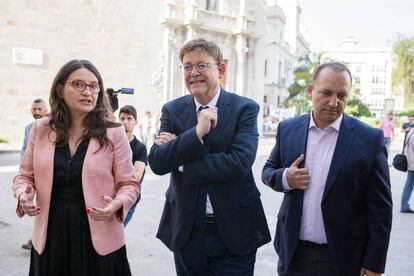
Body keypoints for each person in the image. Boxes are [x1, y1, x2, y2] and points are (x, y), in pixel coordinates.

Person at [148, 38, 271, 276]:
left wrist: (181, 161)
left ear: (221, 69)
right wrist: (196, 133)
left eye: (202, 65)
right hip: (187, 231)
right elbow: (158, 162)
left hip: (235, 230)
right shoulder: (172, 110)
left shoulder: (244, 108)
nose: (194, 73)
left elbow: (239, 163)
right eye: (187, 66)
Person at [262, 62, 392, 276]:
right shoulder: (288, 129)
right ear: (311, 92)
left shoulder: (369, 139)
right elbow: (268, 171)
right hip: (293, 254)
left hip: (342, 259)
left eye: (342, 95)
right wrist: (286, 178)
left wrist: (374, 263)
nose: (334, 102)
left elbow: (381, 208)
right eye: (326, 93)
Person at [13, 59, 139, 275]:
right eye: (79, 84)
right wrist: (22, 194)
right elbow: (24, 177)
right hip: (51, 235)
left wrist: (116, 204)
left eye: (94, 85)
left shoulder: (114, 132)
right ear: (60, 89)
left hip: (98, 234)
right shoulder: (41, 128)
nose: (88, 92)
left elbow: (130, 184)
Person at [20, 98, 48, 251]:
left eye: (39, 109)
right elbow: (25, 149)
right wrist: (24, 173)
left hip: (47, 174)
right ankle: (37, 239)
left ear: (46, 110)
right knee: (38, 207)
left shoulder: (51, 126)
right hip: (32, 175)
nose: (37, 112)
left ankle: (36, 240)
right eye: (34, 109)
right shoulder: (28, 127)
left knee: (44, 206)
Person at [119, 105, 148, 226]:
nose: (125, 122)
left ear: (136, 121)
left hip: (129, 198)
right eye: (122, 118)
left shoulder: (140, 147)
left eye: (129, 118)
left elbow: (137, 175)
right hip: (111, 196)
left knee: (116, 233)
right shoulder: (114, 144)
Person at [401, 128, 414, 213]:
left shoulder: (411, 131)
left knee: (408, 185)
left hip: (410, 161)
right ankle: (404, 206)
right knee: (409, 185)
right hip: (413, 162)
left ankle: (404, 205)